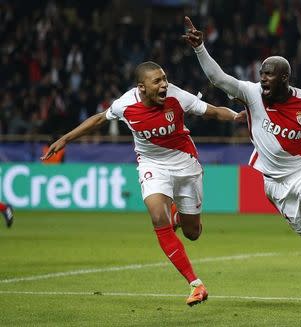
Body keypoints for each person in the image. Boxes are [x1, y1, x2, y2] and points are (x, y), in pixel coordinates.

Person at [183, 17, 301, 322]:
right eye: (262, 74)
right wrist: (200, 48)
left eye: (269, 74)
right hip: (276, 185)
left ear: (284, 78)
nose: (263, 79)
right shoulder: (252, 94)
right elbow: (219, 79)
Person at [41, 60, 243, 306]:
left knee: (193, 233)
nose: (164, 85)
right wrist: (65, 139)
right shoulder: (126, 104)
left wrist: (236, 116)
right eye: (157, 81)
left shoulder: (176, 96)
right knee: (158, 217)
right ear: (142, 87)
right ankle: (196, 284)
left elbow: (211, 110)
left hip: (186, 164)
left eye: (165, 79)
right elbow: (98, 119)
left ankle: (178, 218)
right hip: (152, 166)